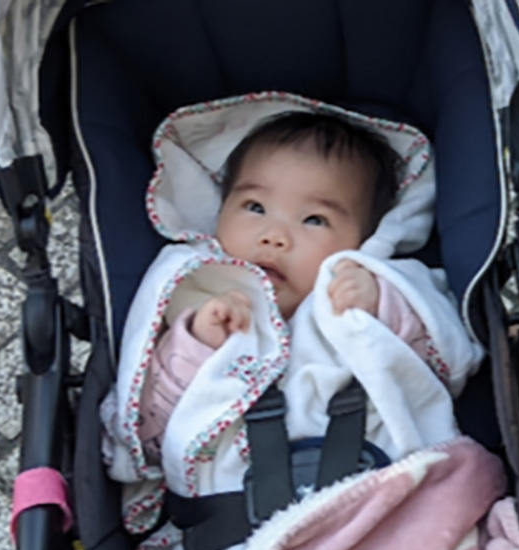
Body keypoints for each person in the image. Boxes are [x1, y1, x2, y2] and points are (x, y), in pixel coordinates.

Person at [136, 112, 433, 464]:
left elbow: (440, 360)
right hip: (232, 490)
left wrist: (381, 304)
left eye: (314, 220)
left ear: (365, 240)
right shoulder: (193, 292)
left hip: (374, 475)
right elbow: (152, 429)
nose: (274, 236)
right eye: (255, 207)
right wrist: (198, 344)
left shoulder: (374, 287)